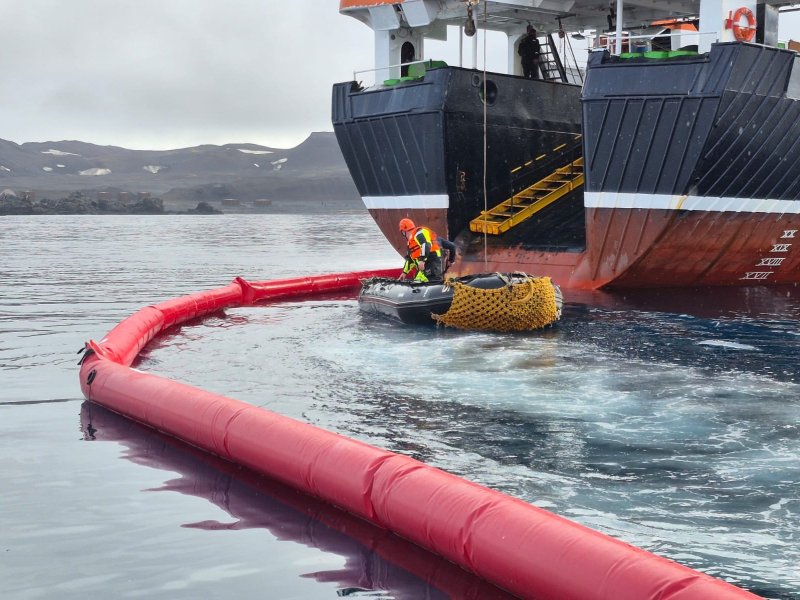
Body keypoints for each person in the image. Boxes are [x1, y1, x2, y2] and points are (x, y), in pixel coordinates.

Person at [398, 218, 444, 282]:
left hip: (432, 260)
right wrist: (404, 273)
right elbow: (410, 259)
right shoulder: (410, 242)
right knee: (417, 281)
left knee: (433, 280)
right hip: (423, 267)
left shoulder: (419, 234)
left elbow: (426, 244)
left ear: (403, 232)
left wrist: (422, 260)